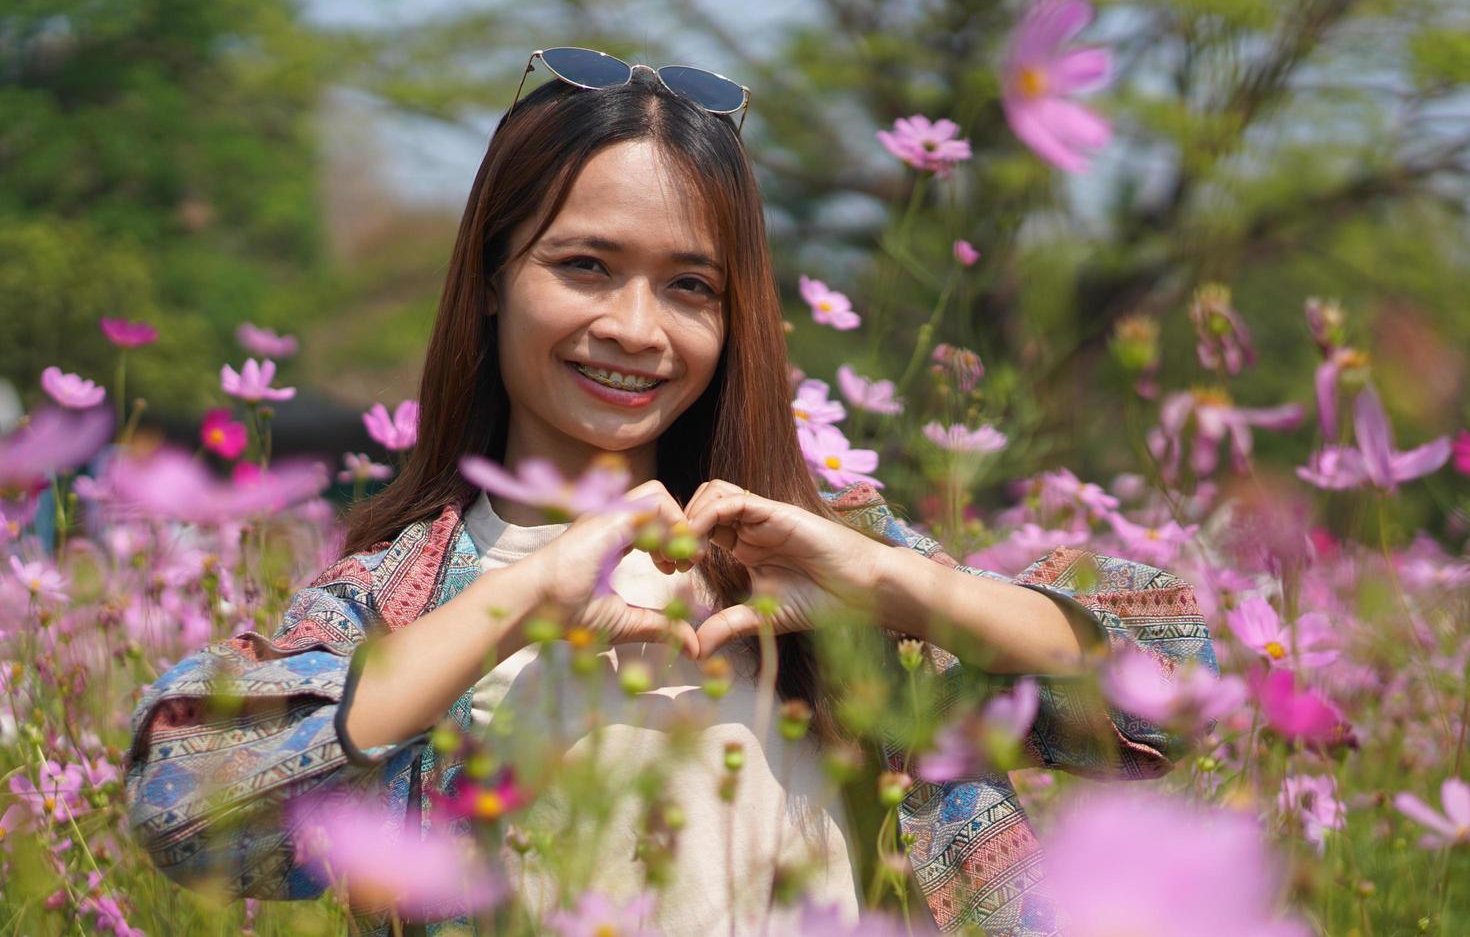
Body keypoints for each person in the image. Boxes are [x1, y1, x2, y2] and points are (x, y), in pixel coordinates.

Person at [124, 49, 1218, 937]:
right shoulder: (401, 599)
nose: (637, 331)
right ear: (497, 275)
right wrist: (520, 596)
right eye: (586, 266)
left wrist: (890, 582)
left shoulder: (815, 557)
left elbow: (1175, 686)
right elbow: (192, 813)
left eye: (690, 285)